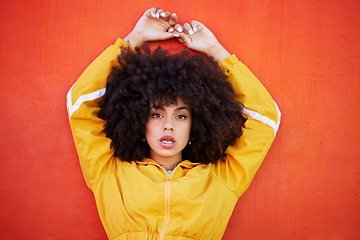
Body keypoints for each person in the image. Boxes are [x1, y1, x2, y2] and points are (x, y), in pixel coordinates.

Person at [67, 7, 280, 240]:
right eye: (157, 114)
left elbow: (265, 117)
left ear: (195, 127)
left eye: (180, 116)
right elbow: (80, 102)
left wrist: (215, 51)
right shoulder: (108, 171)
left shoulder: (221, 179)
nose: (168, 125)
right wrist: (135, 38)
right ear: (139, 120)